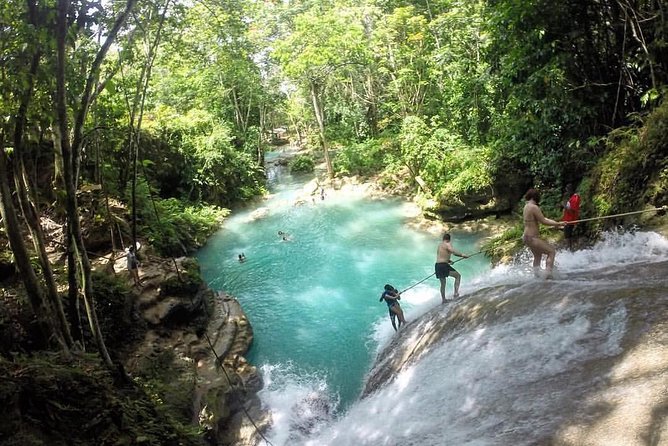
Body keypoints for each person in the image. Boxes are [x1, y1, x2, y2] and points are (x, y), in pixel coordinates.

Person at [523, 188, 565, 277]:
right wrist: (557, 224)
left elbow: (544, 219)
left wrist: (556, 223)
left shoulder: (526, 206)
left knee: (537, 255)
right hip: (532, 237)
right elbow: (543, 221)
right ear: (536, 197)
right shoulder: (534, 207)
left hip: (526, 237)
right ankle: (548, 276)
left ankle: (537, 277)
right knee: (551, 252)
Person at [435, 233, 469, 302]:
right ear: (449, 239)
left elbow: (441, 256)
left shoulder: (440, 245)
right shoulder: (447, 244)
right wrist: (462, 255)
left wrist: (448, 261)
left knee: (443, 284)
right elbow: (453, 251)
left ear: (443, 239)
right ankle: (456, 294)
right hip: (444, 265)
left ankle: (444, 299)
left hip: (438, 265)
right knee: (458, 276)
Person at [561, 183, 581, 251]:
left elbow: (573, 210)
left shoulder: (575, 197)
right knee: (567, 236)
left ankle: (569, 251)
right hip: (568, 220)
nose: (567, 191)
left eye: (568, 189)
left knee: (568, 236)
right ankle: (569, 250)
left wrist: (564, 206)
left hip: (570, 220)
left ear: (571, 190)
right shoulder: (572, 197)